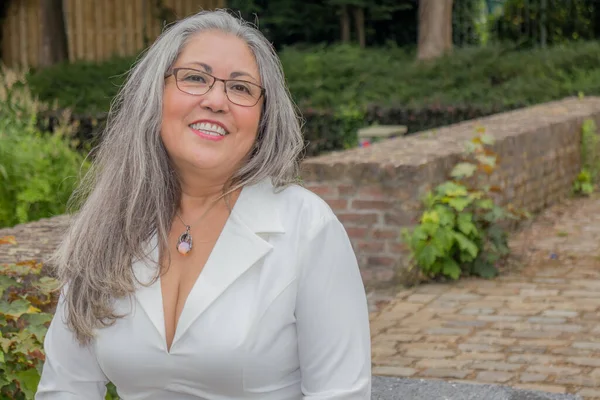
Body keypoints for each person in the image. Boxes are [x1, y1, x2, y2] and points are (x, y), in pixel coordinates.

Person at [36, 9, 371, 400]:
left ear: (263, 119)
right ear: (154, 95)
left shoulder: (307, 226)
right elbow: (65, 388)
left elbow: (339, 393)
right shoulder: (107, 223)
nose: (216, 100)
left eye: (241, 88)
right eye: (195, 78)